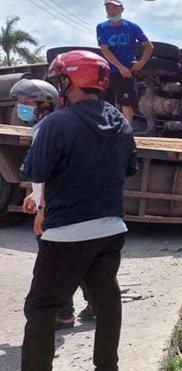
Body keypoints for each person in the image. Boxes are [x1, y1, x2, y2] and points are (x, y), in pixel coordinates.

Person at [20, 50, 138, 371]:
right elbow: (129, 169)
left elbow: (36, 170)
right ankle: (106, 367)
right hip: (112, 230)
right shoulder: (121, 124)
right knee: (107, 302)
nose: (59, 85)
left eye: (62, 79)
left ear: (71, 80)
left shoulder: (57, 123)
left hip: (67, 233)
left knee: (42, 308)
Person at [10, 79, 96, 329]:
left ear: (44, 104)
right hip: (55, 203)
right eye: (19, 102)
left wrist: (44, 209)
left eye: (26, 103)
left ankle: (64, 313)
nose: (20, 107)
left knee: (54, 264)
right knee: (73, 260)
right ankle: (96, 302)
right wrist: (34, 195)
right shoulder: (45, 127)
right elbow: (47, 173)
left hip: (54, 209)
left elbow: (53, 169)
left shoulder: (48, 128)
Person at [97, 0, 153, 124]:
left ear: (122, 9)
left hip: (127, 72)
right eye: (108, 8)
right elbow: (104, 49)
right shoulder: (101, 27)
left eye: (115, 8)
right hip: (109, 71)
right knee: (105, 105)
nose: (111, 10)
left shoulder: (132, 27)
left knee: (127, 104)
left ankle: (126, 132)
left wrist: (142, 62)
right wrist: (119, 67)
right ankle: (107, 132)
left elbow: (148, 46)